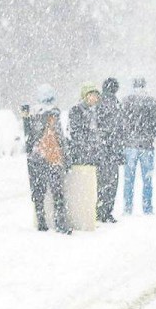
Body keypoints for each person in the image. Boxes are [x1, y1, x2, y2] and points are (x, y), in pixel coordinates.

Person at [22, 85, 72, 235]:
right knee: (57, 192)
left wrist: (25, 117)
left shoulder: (33, 114)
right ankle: (59, 223)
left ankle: (42, 221)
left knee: (39, 191)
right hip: (52, 156)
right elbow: (60, 136)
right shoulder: (53, 114)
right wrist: (66, 157)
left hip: (38, 157)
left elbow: (29, 138)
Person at [69, 83, 114, 224]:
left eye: (96, 94)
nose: (95, 98)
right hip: (84, 155)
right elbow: (76, 133)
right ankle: (87, 213)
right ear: (85, 96)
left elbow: (107, 128)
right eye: (92, 94)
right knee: (86, 185)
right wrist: (89, 144)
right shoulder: (76, 110)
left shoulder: (101, 110)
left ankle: (102, 212)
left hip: (100, 153)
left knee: (104, 183)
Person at [122, 78, 156, 215]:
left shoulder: (126, 101)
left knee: (129, 179)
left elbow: (121, 122)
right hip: (146, 146)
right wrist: (149, 136)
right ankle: (147, 208)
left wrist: (127, 136)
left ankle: (127, 208)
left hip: (130, 145)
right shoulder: (152, 101)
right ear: (145, 86)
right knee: (147, 179)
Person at [96, 77, 125, 223]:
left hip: (101, 149)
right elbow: (121, 129)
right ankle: (107, 211)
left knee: (100, 181)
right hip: (113, 150)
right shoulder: (117, 104)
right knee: (112, 183)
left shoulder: (98, 103)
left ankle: (98, 210)